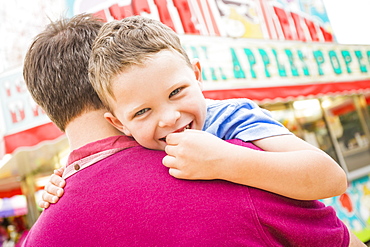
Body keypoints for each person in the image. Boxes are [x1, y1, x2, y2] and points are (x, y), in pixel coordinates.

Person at [21, 13, 365, 246]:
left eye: (176, 92)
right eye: (143, 110)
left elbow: (330, 177)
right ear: (115, 115)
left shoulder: (231, 130)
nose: (169, 118)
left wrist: (225, 160)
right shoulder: (237, 182)